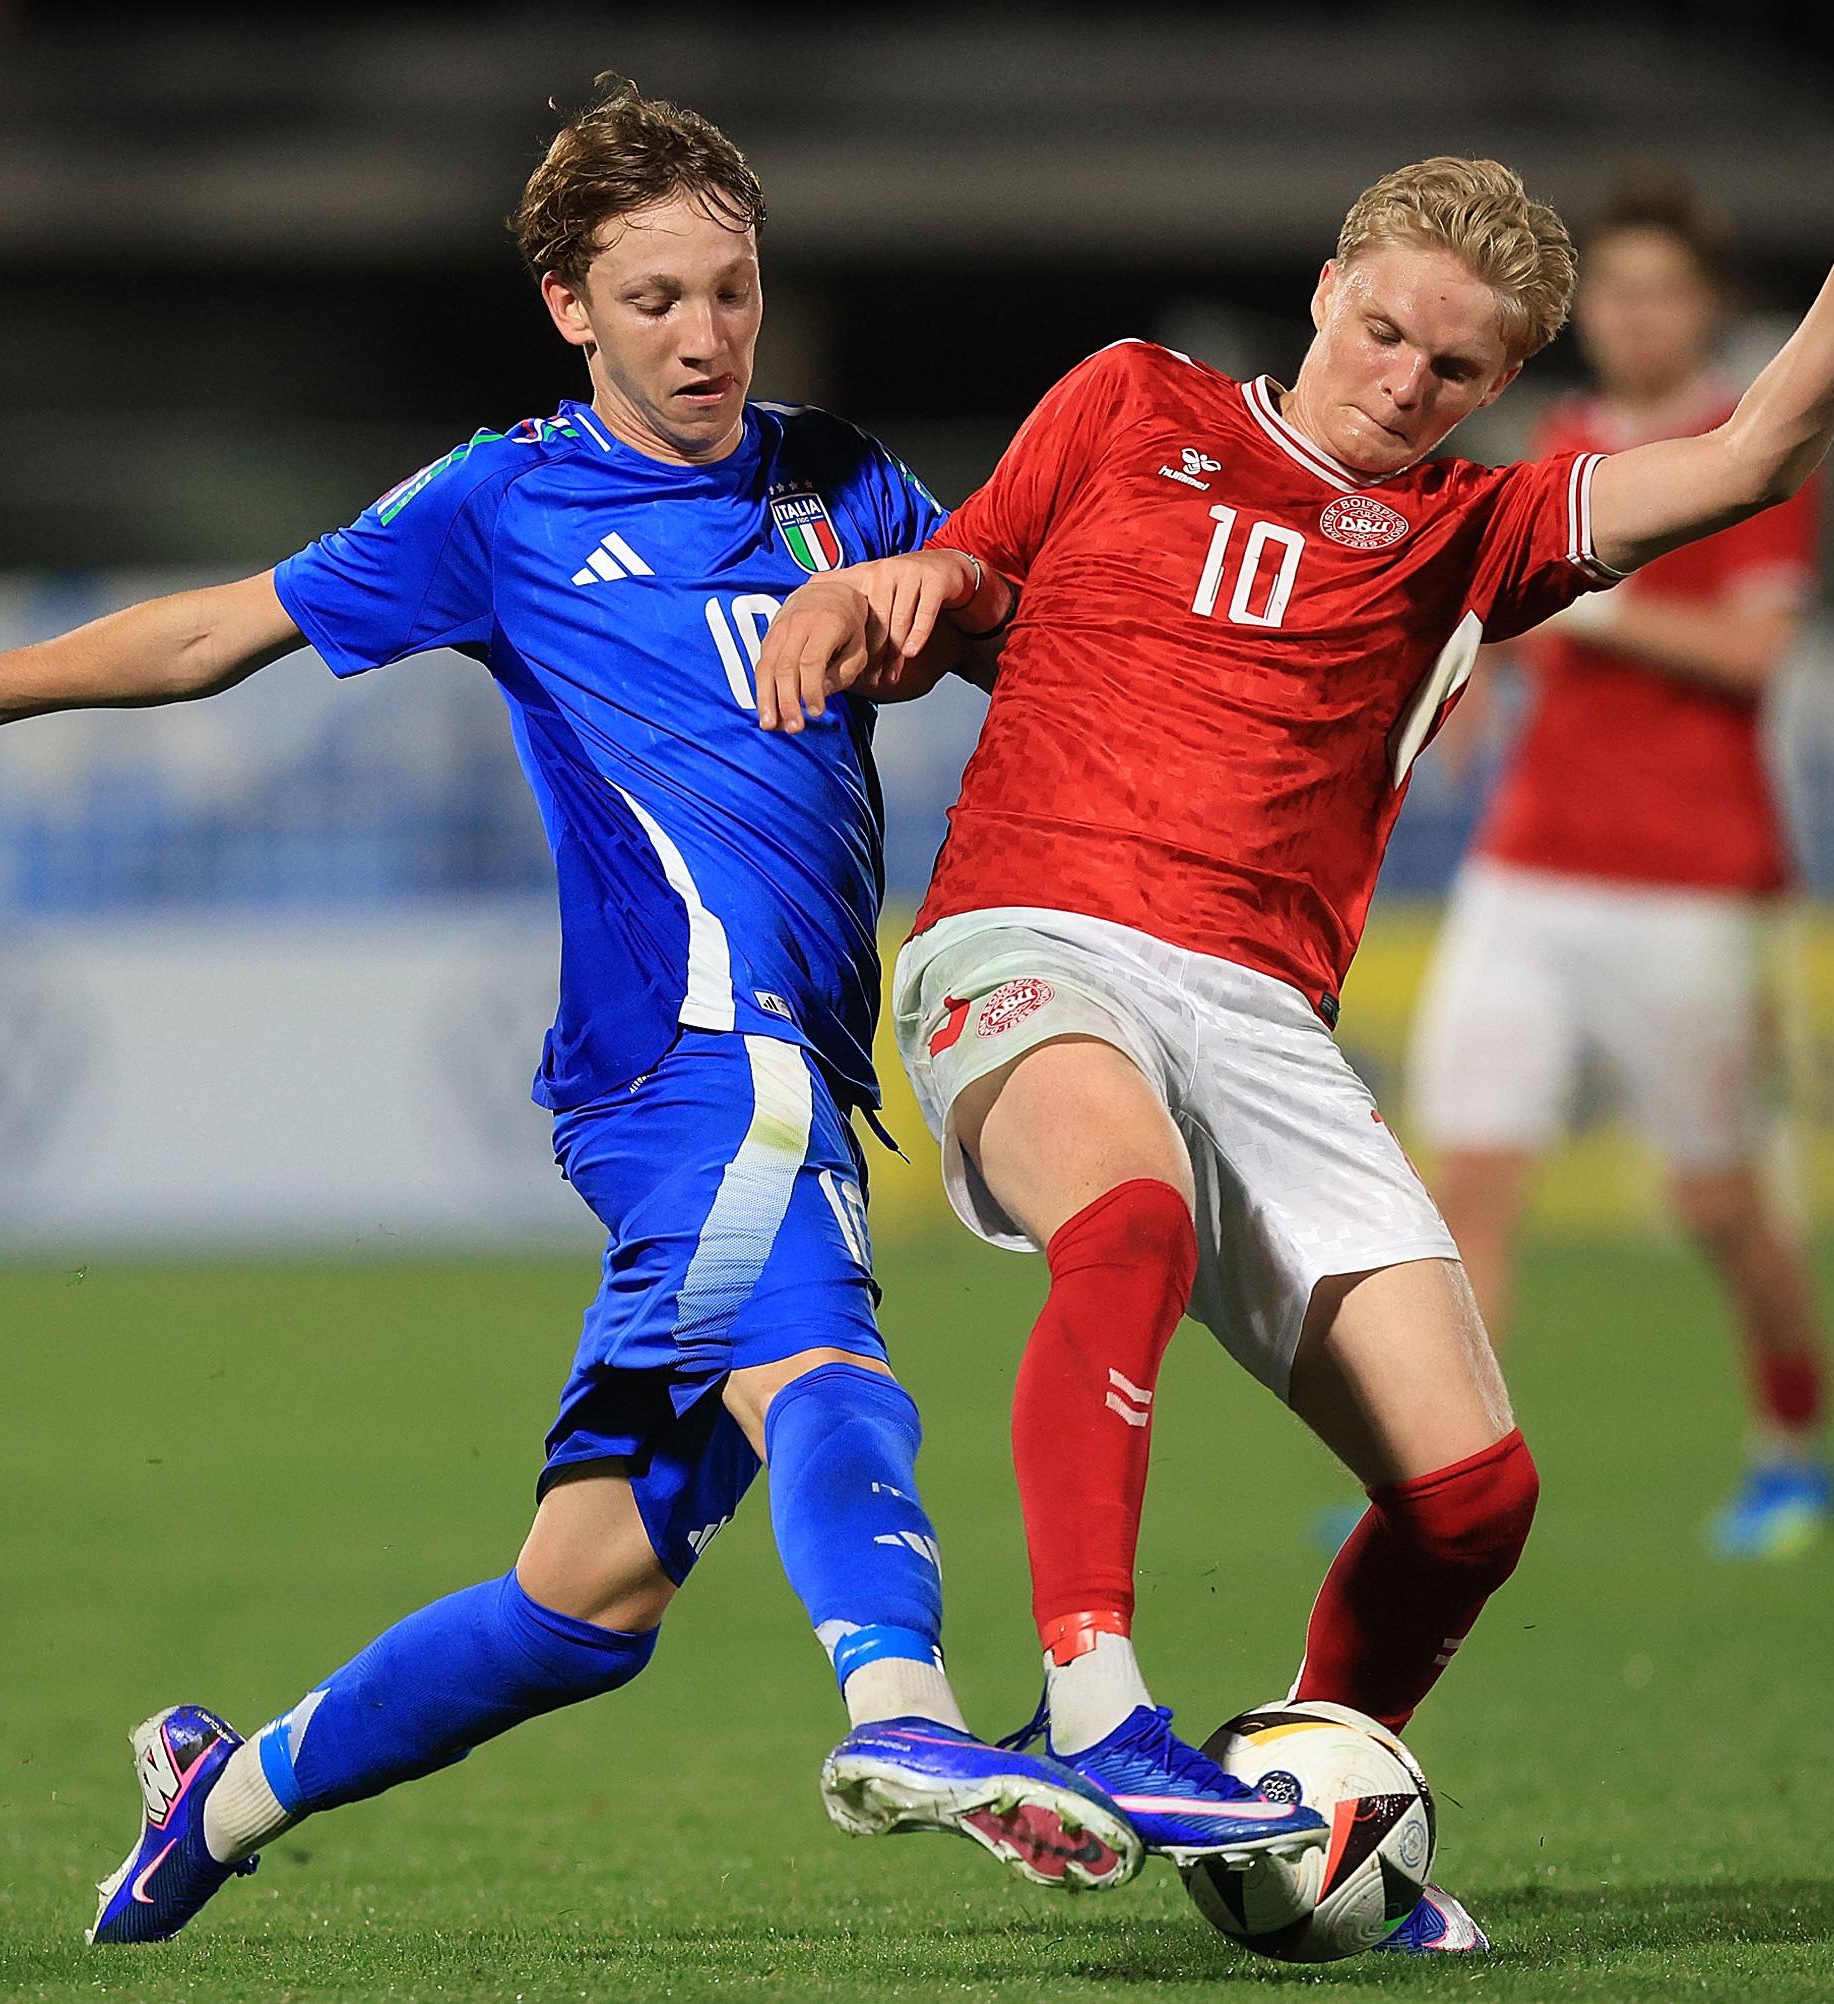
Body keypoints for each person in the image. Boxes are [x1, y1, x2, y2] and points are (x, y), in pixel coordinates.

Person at [0, 78, 1187, 1946]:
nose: (706, 336)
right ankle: (912, 1717)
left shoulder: (840, 479)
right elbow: (223, 629)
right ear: (569, 306)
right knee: (827, 1363)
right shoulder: (506, 500)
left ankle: (211, 1797)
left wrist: (942, 588)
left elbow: (1021, 642)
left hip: (794, 1050)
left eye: (732, 289)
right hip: (691, 1062)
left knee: (586, 1607)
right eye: (656, 302)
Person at [755, 156, 1834, 1953]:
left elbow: (1747, 458)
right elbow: (976, 564)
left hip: (1262, 1015)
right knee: (1129, 1222)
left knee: (1474, 1500)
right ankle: (1096, 1711)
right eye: (1386, 327)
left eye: (1455, 369)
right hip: (1030, 935)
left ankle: (1313, 1819)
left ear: (1500, 388)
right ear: (1330, 284)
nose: (1402, 380)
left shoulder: (1472, 534)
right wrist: (884, 595)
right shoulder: (1129, 399)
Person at [1409, 178, 1831, 1560]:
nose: (1636, 314)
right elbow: (1511, 617)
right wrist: (1466, 688)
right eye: (1619, 291)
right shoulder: (1567, 441)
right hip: (1528, 871)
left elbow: (1754, 655)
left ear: (1706, 310)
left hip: (1690, 882)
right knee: (1470, 1181)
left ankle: (1790, 1449)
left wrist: (1602, 609)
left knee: (1718, 1205)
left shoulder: (1747, 452)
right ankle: (1444, 1483)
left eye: (1663, 291)